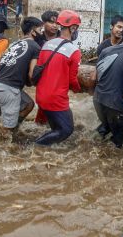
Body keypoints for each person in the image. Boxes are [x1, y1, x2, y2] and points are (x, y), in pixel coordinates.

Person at [34, 10, 82, 145]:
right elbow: (72, 80)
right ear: (73, 28)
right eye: (77, 28)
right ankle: (36, 147)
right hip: (55, 98)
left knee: (53, 128)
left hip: (41, 95)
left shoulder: (46, 44)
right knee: (66, 129)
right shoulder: (74, 51)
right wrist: (79, 89)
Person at [0, 17, 45, 138]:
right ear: (33, 31)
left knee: (28, 104)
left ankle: (13, 128)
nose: (42, 32)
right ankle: (2, 145)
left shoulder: (15, 43)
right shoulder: (35, 46)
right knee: (7, 130)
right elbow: (32, 74)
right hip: (9, 88)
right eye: (40, 29)